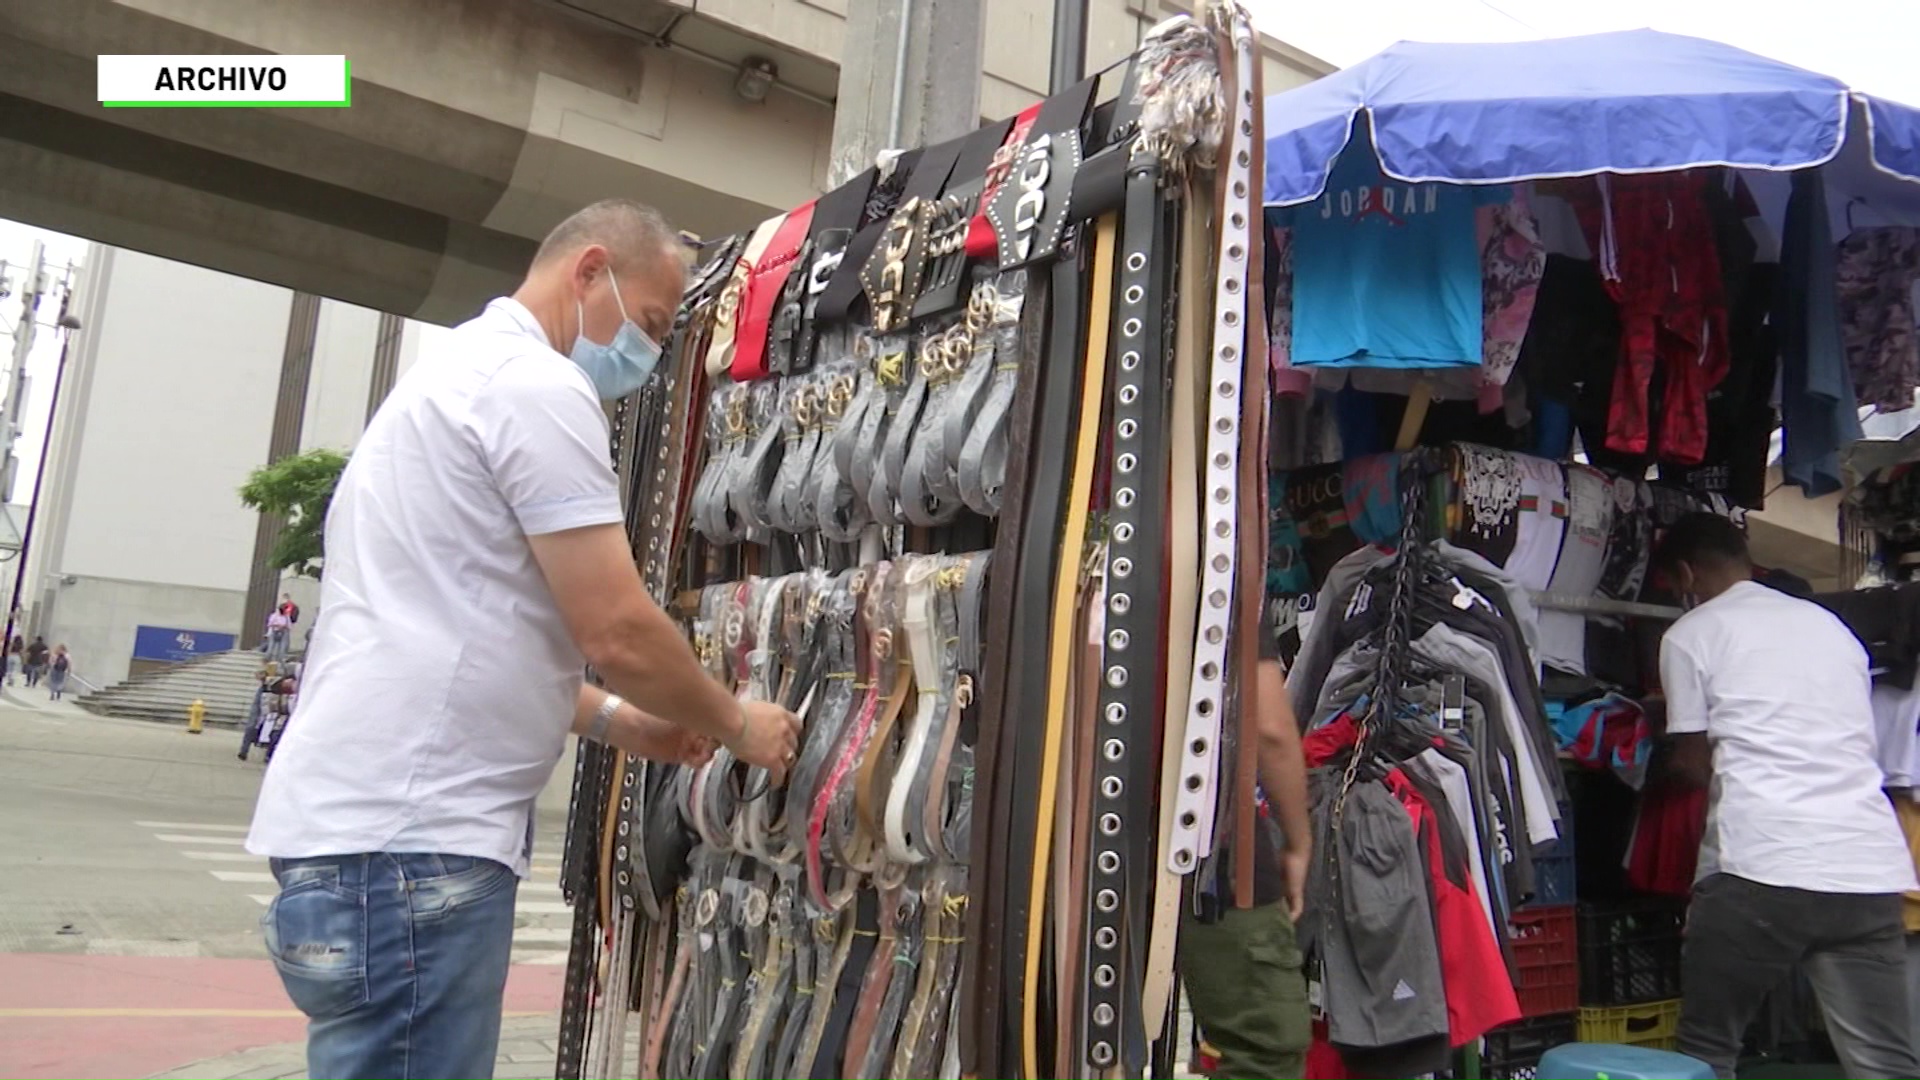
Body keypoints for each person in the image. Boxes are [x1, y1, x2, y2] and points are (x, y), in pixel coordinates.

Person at [245, 198, 800, 1080]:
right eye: (652, 324)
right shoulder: (535, 389)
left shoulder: (443, 380)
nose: (650, 360)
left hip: (359, 842)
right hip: (414, 855)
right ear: (588, 271)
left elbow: (467, 638)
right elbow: (615, 626)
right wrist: (737, 724)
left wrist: (630, 725)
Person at [1653, 513, 1920, 1080]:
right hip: (1867, 868)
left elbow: (1692, 759)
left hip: (1763, 867)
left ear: (1685, 575)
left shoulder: (1691, 634)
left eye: (1677, 587)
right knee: (1886, 1064)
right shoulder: (1831, 628)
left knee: (1707, 1052)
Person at [1178, 602, 1313, 1080]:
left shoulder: (1042, 546)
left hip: (1077, 844)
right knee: (1266, 1047)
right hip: (1213, 848)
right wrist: (1298, 842)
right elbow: (1270, 728)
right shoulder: (1224, 553)